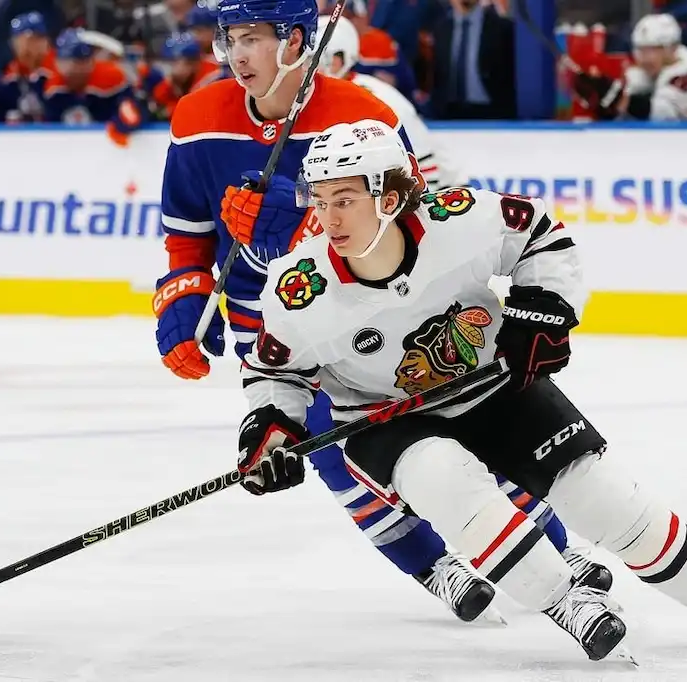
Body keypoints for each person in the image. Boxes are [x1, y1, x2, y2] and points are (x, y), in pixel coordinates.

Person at [237, 118, 687, 661]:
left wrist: (543, 310)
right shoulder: (298, 288)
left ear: (389, 197)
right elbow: (274, 373)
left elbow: (541, 237)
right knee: (446, 484)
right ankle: (565, 602)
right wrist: (269, 427)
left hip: (495, 384)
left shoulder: (460, 219)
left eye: (345, 200)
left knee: (603, 497)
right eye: (321, 198)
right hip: (390, 418)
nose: (327, 217)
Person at [153, 0, 610, 624]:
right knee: (332, 455)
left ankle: (555, 550)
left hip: (382, 315)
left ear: (295, 40)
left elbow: (409, 222)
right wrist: (181, 294)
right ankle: (432, 566)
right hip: (271, 328)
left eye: (252, 37)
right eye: (228, 37)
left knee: (461, 429)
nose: (235, 54)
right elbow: (188, 232)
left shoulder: (364, 116)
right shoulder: (197, 117)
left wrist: (298, 230)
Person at [313, 15, 465, 190]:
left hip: (445, 189)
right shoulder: (320, 97)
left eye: (317, 58)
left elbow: (423, 159)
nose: (310, 67)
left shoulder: (376, 96)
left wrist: (418, 209)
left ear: (339, 59)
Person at [574, 13, 687, 122]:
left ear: (671, 48)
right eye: (640, 50)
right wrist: (602, 102)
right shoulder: (647, 72)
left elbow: (666, 115)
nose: (644, 58)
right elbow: (627, 111)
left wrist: (620, 99)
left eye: (652, 50)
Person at [42, 28, 144, 145]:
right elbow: (51, 128)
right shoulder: (54, 88)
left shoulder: (111, 79)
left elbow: (134, 111)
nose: (77, 69)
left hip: (109, 150)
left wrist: (129, 115)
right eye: (72, 62)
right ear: (58, 62)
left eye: (83, 61)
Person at [150, 32, 226, 120]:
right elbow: (158, 98)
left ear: (191, 63)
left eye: (173, 62)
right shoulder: (182, 77)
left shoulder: (213, 75)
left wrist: (169, 110)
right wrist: (171, 83)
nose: (170, 68)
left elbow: (192, 112)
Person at [2, 12, 56, 124]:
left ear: (45, 41)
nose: (25, 46)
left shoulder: (58, 67)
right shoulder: (12, 71)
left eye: (33, 40)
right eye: (18, 40)